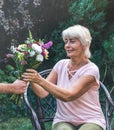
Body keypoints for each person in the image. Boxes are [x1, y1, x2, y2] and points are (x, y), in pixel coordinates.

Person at [22, 25, 106, 130]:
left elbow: (68, 96)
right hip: (64, 120)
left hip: (90, 119)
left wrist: (39, 79)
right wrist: (31, 78)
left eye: (72, 41)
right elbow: (42, 93)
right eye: (66, 41)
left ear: (85, 44)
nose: (67, 45)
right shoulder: (60, 65)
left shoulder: (91, 70)